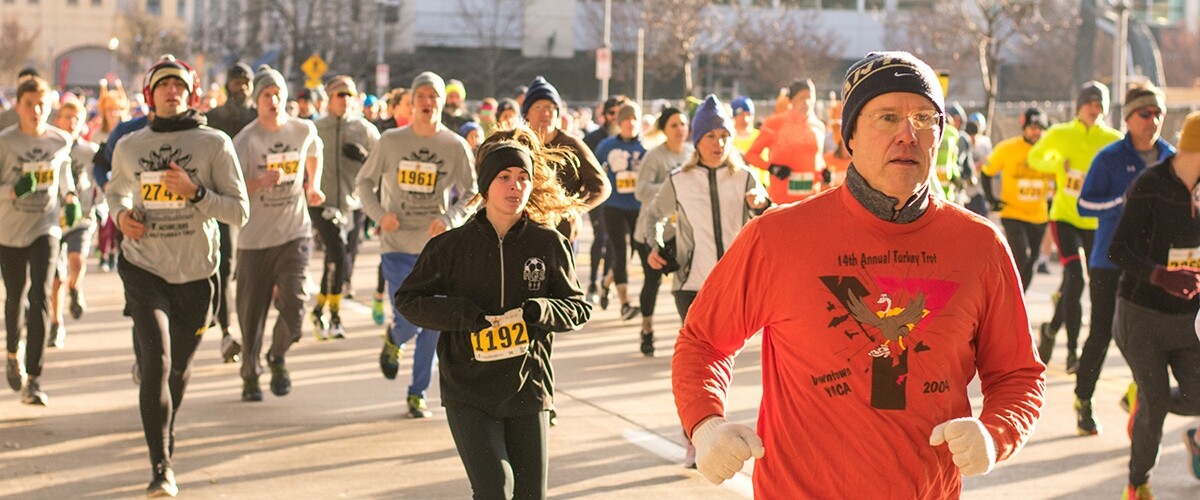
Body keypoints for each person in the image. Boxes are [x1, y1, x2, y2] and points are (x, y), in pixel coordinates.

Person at [671, 51, 1045, 497]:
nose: (908, 134)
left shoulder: (980, 245)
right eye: (887, 118)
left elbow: (1018, 374)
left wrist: (996, 432)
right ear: (849, 136)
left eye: (925, 119)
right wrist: (706, 423)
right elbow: (703, 342)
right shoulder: (776, 237)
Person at [395, 131, 591, 499]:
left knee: (530, 495)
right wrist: (461, 314)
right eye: (504, 177)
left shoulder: (549, 243)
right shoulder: (451, 246)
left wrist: (540, 310)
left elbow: (578, 308)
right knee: (495, 490)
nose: (515, 186)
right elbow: (408, 300)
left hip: (527, 388)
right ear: (486, 185)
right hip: (468, 390)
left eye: (523, 178)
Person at [106, 55, 249, 497]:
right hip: (144, 267)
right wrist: (121, 217)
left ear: (192, 93)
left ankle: (165, 438)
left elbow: (239, 211)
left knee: (178, 372)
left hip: (196, 273)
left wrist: (196, 192)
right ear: (150, 95)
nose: (172, 91)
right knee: (157, 364)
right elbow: (115, 191)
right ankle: (161, 466)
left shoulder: (214, 144)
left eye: (180, 86)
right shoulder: (129, 145)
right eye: (164, 85)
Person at [356, 71, 476, 418]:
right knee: (410, 319)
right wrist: (379, 215)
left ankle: (417, 393)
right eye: (421, 96)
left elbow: (472, 192)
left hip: (435, 249)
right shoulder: (391, 141)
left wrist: (450, 219)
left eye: (433, 96)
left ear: (442, 102)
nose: (427, 102)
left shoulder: (454, 145)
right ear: (411, 101)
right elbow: (364, 182)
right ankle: (395, 339)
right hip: (396, 244)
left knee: (434, 325)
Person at [1108, 111, 1200, 500]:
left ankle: (1141, 399)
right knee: (1157, 401)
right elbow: (1117, 249)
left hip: (1187, 319)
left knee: (1196, 397)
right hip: (1141, 314)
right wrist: (1161, 275)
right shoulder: (1151, 184)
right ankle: (1138, 483)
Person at [1074, 83, 1174, 436]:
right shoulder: (1109, 158)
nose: (1153, 120)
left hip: (1152, 266)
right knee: (1102, 333)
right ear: (1129, 118)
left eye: (1158, 113)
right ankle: (1083, 398)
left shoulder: (1170, 157)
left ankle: (1137, 395)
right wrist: (1121, 202)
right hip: (1109, 261)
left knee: (1148, 337)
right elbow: (1084, 205)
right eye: (1145, 113)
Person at [231, 65, 326, 402]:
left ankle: (278, 356)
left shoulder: (303, 129)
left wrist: (312, 185)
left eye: (278, 94)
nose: (273, 100)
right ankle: (250, 374)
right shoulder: (245, 140)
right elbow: (230, 187)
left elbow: (314, 152)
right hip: (254, 240)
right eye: (266, 95)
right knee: (251, 314)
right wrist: (259, 182)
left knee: (296, 307)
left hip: (294, 232)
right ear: (257, 100)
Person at [1028, 81, 1122, 373]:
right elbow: (1034, 158)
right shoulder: (1060, 133)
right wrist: (1057, 164)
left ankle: (1051, 329)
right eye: (1090, 103)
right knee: (1076, 278)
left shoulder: (1113, 139)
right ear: (1080, 106)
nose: (1095, 109)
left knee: (1088, 283)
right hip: (1065, 217)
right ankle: (1072, 352)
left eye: (1100, 104)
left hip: (1095, 223)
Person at [0, 76, 78, 406]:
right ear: (18, 106)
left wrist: (71, 197)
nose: (35, 111)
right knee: (16, 295)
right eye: (29, 104)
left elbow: (65, 172)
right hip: (9, 231)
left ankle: (34, 378)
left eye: (41, 105)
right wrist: (13, 190)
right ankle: (12, 353)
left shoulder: (60, 140)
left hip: (46, 227)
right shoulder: (5, 142)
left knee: (42, 294)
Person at [311, 75, 380, 339]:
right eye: (340, 95)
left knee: (336, 259)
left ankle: (319, 310)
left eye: (350, 95)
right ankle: (335, 316)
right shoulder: (315, 128)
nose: (345, 100)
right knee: (338, 255)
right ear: (330, 98)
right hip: (321, 202)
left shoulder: (364, 129)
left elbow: (381, 163)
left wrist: (364, 158)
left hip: (352, 204)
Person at [204, 62, 259, 365]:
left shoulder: (258, 117)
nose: (242, 87)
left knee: (247, 271)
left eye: (247, 81)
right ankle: (227, 331)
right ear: (227, 85)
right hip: (225, 202)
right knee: (225, 267)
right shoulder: (213, 118)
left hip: (259, 202)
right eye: (237, 81)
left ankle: (249, 330)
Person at [632, 106, 692, 357]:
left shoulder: (692, 154)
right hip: (651, 231)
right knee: (653, 282)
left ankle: (689, 333)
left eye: (683, 124)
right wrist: (671, 190)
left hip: (681, 232)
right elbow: (640, 191)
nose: (680, 129)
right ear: (665, 130)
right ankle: (646, 329)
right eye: (674, 125)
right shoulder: (655, 156)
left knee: (686, 281)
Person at [521, 76, 610, 241]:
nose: (545, 113)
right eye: (538, 107)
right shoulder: (519, 144)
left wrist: (574, 208)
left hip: (562, 232)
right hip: (524, 230)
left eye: (551, 107)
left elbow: (601, 186)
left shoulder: (571, 144)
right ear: (526, 113)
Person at [47, 98, 105, 348]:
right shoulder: (50, 147)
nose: (71, 123)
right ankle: (56, 323)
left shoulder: (90, 151)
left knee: (77, 260)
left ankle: (75, 287)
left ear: (83, 123)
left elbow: (102, 178)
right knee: (56, 277)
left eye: (76, 119)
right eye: (66, 117)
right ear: (57, 120)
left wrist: (101, 206)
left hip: (82, 216)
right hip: (52, 218)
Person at [980, 107, 1053, 292]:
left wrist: (1053, 204)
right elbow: (986, 171)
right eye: (1032, 127)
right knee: (1022, 256)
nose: (1036, 132)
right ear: (1024, 127)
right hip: (1013, 213)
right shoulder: (1007, 148)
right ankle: (1005, 293)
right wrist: (992, 199)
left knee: (1032, 262)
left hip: (1038, 216)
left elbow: (1059, 177)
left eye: (1040, 128)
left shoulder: (1049, 151)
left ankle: (1019, 299)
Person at [593, 100, 646, 320]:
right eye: (626, 119)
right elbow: (593, 169)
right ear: (619, 122)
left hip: (637, 208)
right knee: (621, 250)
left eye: (634, 119)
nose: (630, 123)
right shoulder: (607, 146)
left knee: (629, 255)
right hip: (613, 207)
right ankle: (625, 303)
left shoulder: (645, 148)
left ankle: (605, 283)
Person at [744, 78, 827, 204]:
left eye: (810, 97)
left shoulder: (819, 126)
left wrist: (824, 171)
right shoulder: (775, 122)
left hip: (811, 198)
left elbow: (817, 158)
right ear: (791, 100)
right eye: (802, 97)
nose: (807, 102)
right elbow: (751, 155)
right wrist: (771, 168)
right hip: (781, 199)